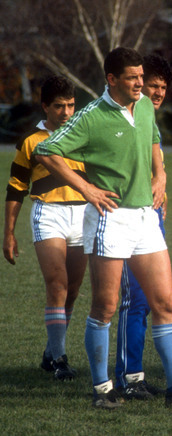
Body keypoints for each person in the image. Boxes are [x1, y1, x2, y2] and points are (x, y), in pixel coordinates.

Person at [34, 47, 172, 409]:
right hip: (110, 218)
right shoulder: (91, 117)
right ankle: (103, 389)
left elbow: (152, 139)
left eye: (141, 76)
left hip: (146, 217)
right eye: (132, 78)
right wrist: (86, 189)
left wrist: (161, 175)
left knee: (166, 301)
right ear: (112, 79)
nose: (140, 84)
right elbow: (47, 151)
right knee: (105, 305)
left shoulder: (144, 106)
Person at [3, 75, 85, 381]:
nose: (66, 112)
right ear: (45, 107)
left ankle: (51, 352)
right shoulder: (31, 141)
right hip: (48, 214)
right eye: (59, 106)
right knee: (57, 284)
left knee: (72, 290)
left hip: (83, 215)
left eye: (71, 105)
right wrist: (9, 233)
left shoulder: (84, 134)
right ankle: (60, 360)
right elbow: (15, 189)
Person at [114, 53, 172, 399]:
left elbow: (155, 172)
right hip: (125, 221)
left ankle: (137, 374)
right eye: (153, 85)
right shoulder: (118, 119)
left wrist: (163, 192)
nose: (158, 92)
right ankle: (127, 378)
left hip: (152, 221)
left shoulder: (149, 121)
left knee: (156, 300)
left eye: (163, 87)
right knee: (134, 299)